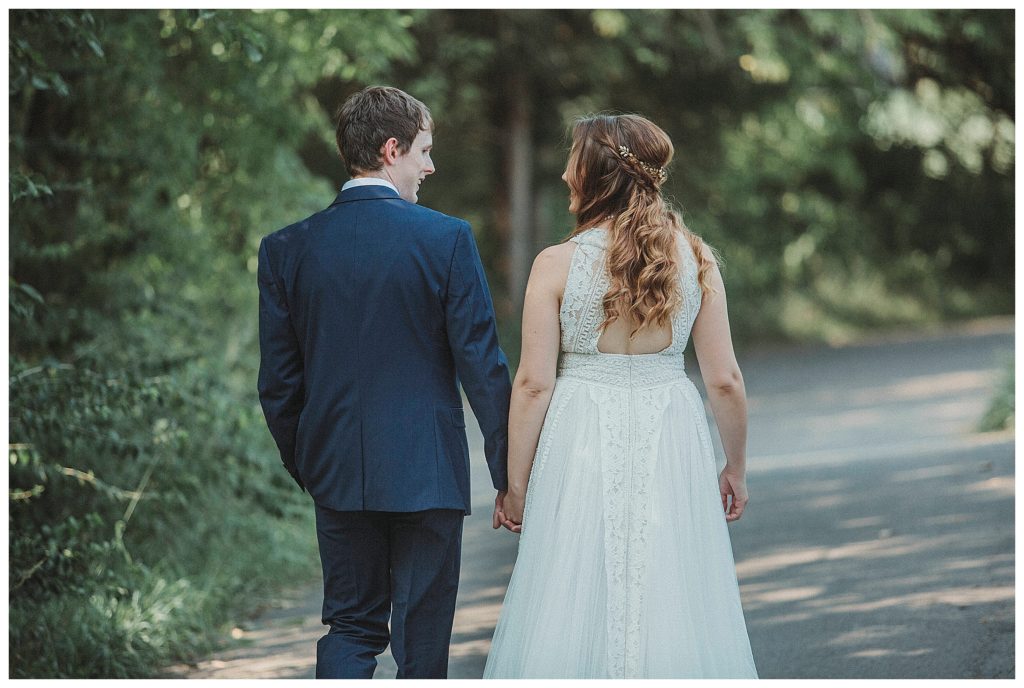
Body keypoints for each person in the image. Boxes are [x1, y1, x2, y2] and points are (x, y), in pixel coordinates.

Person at [483, 113, 758, 678]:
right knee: (672, 580)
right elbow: (724, 378)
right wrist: (735, 466)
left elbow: (534, 384)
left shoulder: (556, 264)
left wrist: (516, 488)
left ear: (598, 174)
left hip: (582, 425)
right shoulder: (696, 258)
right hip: (669, 426)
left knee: (572, 577)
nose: (564, 174)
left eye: (574, 162)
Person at [256, 85, 514, 679]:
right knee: (424, 648)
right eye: (423, 151)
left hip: (337, 473)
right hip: (428, 474)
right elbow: (482, 366)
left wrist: (314, 464)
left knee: (349, 628)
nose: (431, 166)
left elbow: (279, 384)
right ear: (390, 149)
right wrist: (508, 474)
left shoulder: (286, 250)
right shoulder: (445, 239)